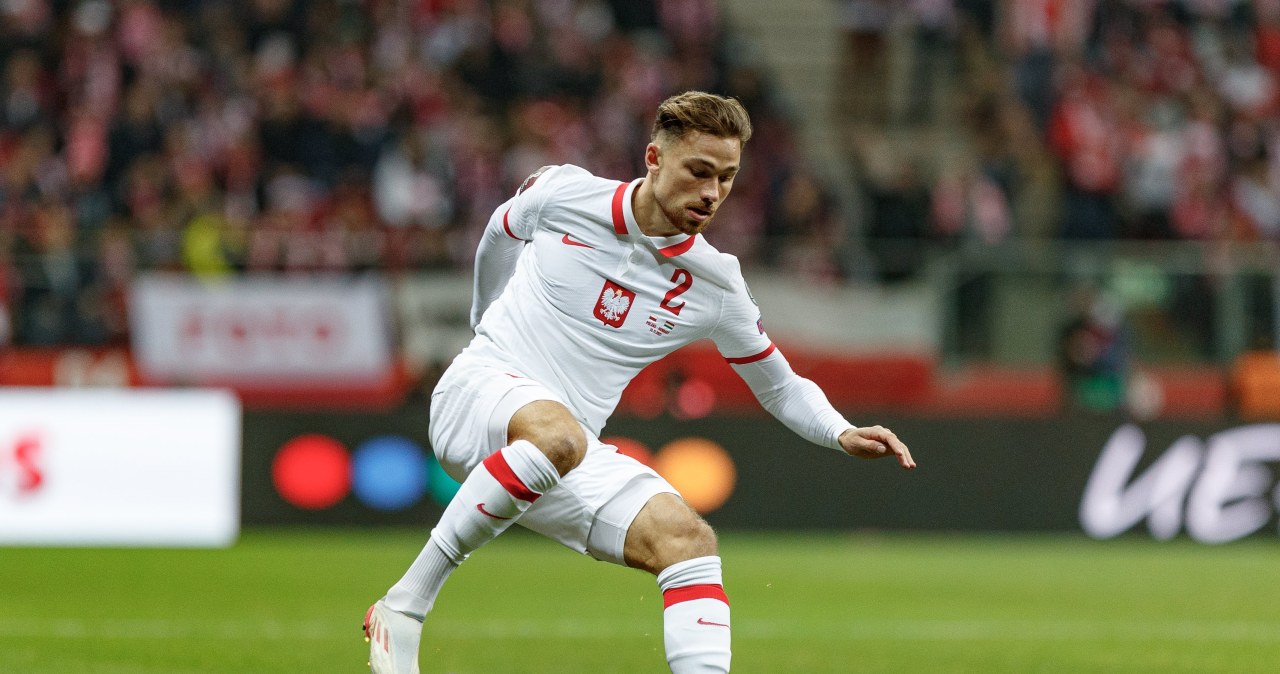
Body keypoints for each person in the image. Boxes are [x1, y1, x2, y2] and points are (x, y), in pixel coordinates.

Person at [363, 91, 917, 674]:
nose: (712, 192)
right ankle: (405, 607)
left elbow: (778, 384)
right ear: (654, 158)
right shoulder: (564, 193)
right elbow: (501, 232)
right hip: (478, 393)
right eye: (698, 171)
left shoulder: (716, 283)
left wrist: (839, 431)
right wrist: (484, 322)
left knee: (688, 542)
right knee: (559, 436)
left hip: (563, 452)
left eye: (726, 178)